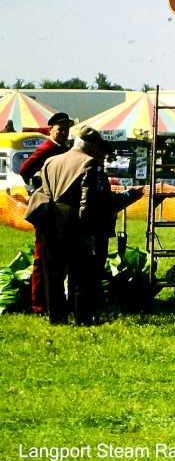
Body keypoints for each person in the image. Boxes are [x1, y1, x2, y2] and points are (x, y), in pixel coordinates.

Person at [35, 126, 142, 325]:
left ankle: (56, 318)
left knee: (53, 273)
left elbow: (41, 189)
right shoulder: (89, 163)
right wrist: (86, 226)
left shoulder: (51, 161)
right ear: (92, 146)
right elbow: (90, 200)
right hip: (74, 223)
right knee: (80, 273)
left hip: (49, 222)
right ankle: (82, 317)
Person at [18, 112, 73, 315]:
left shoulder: (62, 149)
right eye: (60, 129)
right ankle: (38, 305)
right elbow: (25, 169)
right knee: (41, 260)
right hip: (47, 210)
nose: (64, 133)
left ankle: (50, 301)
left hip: (59, 211)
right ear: (51, 130)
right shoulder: (47, 148)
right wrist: (40, 187)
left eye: (66, 129)